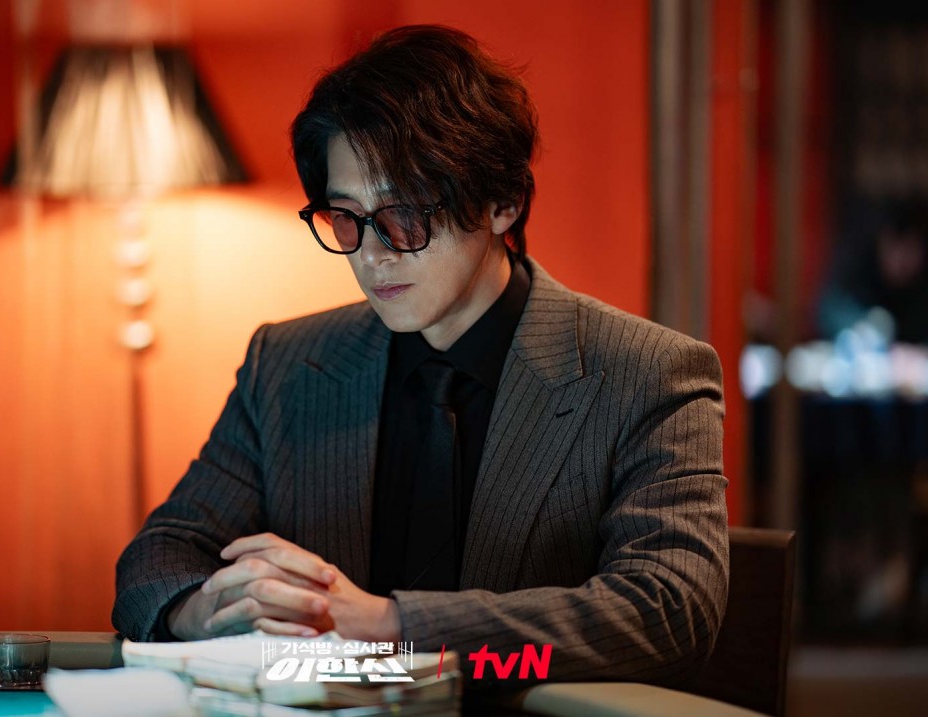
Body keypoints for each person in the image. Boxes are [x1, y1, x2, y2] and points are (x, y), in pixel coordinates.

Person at [113, 24, 729, 686]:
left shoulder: (646, 374)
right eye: (346, 217)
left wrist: (388, 625)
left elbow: (669, 611)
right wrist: (208, 610)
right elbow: (160, 556)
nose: (373, 253)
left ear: (503, 201)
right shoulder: (288, 364)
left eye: (405, 214)